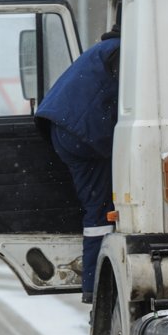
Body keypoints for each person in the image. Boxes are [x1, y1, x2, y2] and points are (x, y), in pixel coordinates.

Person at [35, 25, 120, 304]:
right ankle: (96, 284)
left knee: (96, 208)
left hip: (62, 129)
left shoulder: (101, 50)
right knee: (101, 210)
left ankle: (92, 284)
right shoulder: (120, 52)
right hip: (81, 133)